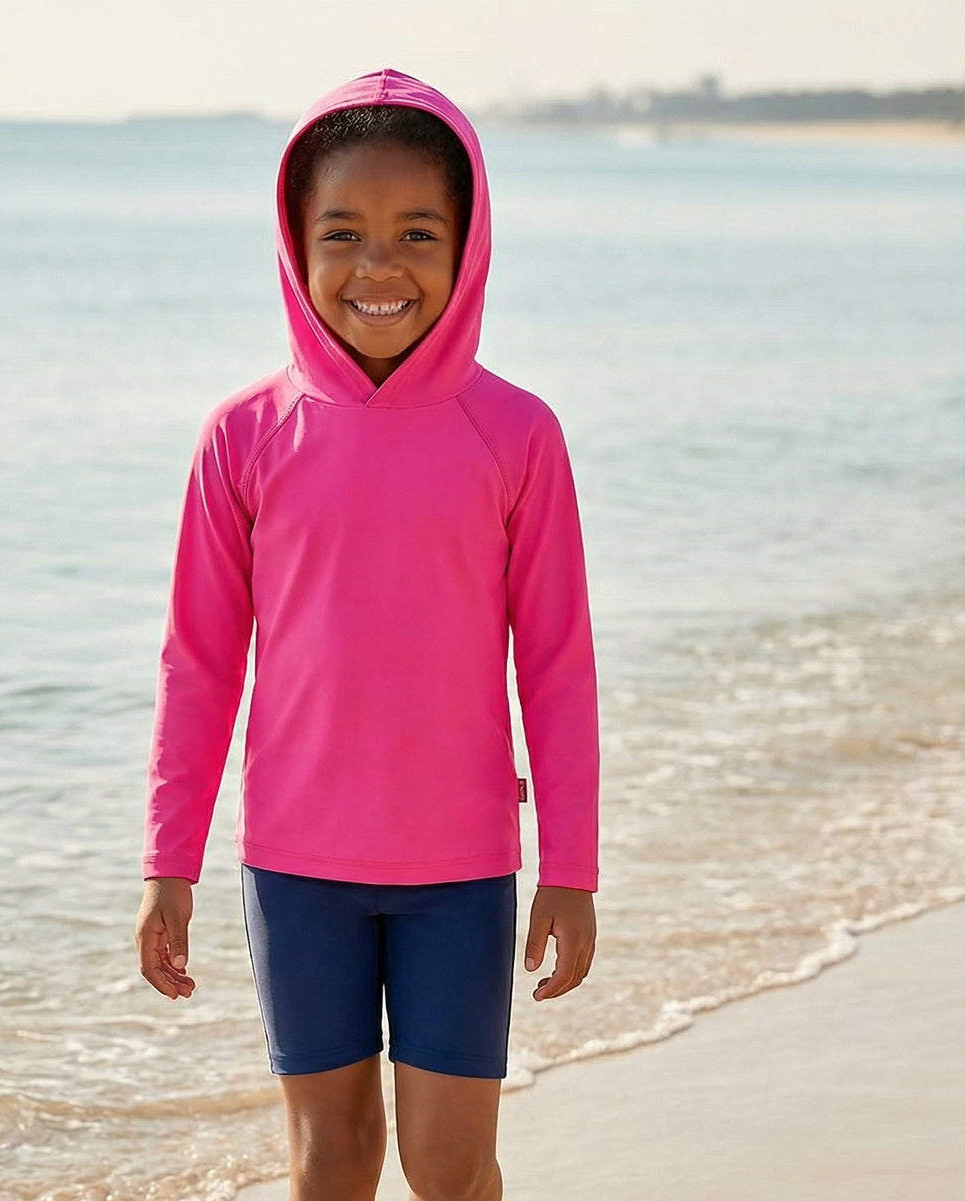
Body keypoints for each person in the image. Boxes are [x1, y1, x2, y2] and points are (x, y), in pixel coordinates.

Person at [134, 67, 599, 1201]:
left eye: (417, 233)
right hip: (297, 868)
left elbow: (557, 661)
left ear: (468, 244)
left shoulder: (517, 433)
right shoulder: (243, 436)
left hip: (463, 866)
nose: (378, 267)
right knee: (330, 1161)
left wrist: (572, 866)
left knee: (451, 1167)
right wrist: (168, 859)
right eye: (342, 232)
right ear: (296, 245)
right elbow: (199, 662)